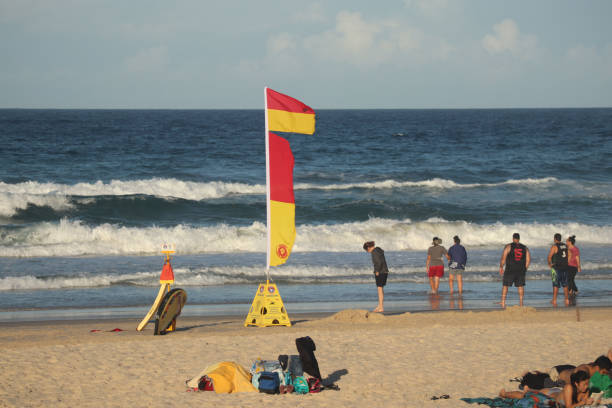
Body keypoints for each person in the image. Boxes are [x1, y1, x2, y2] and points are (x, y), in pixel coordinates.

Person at [499, 233, 530, 308]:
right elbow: (528, 260)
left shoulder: (508, 247)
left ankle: (503, 302)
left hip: (510, 269)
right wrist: (524, 269)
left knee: (505, 285)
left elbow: (503, 258)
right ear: (519, 239)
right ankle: (521, 303)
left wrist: (501, 267)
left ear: (513, 238)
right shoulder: (525, 248)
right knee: (520, 286)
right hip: (520, 270)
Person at [363, 241, 389, 313]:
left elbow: (378, 262)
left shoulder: (374, 252)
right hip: (385, 271)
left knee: (379, 289)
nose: (367, 252)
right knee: (380, 289)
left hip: (380, 272)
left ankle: (381, 307)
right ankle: (380, 305)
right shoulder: (378, 250)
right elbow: (381, 261)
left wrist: (377, 271)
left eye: (367, 250)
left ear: (368, 248)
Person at [547, 233, 569, 306]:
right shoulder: (565, 246)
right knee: (565, 284)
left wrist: (550, 264)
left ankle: (554, 300)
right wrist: (566, 262)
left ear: (555, 239)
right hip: (565, 267)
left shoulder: (554, 246)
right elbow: (570, 254)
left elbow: (549, 256)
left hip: (557, 268)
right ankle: (567, 299)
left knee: (555, 285)